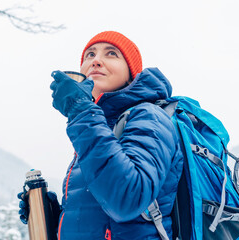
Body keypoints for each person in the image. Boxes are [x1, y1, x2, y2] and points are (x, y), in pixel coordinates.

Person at [21, 31, 184, 240]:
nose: (96, 61)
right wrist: (58, 218)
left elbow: (127, 199)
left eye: (111, 54)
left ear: (131, 73)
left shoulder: (150, 116)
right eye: (90, 55)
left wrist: (80, 110)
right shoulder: (100, 124)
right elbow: (103, 220)